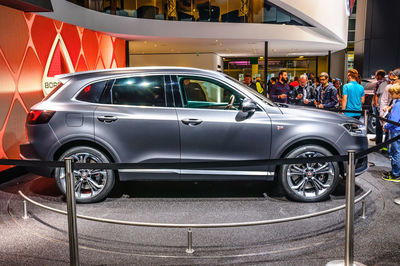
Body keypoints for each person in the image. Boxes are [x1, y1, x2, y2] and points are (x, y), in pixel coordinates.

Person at [382, 83, 400, 182]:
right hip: (397, 131)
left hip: (396, 132)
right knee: (397, 152)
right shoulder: (397, 103)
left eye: (392, 93)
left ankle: (396, 174)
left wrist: (386, 126)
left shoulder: (397, 105)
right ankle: (395, 171)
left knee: (396, 152)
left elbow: (394, 120)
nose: (390, 95)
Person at [371, 69, 387, 144]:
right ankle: (380, 140)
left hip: (380, 106)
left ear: (379, 75)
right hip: (384, 106)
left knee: (378, 124)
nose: (376, 77)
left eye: (376, 75)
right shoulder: (386, 82)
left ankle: (378, 142)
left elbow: (376, 95)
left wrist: (376, 105)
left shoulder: (380, 82)